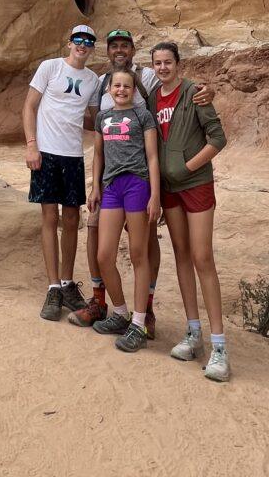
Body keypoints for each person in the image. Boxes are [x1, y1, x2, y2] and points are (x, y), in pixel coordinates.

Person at [69, 28, 214, 339]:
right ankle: (101, 302)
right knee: (96, 234)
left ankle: (143, 310)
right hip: (108, 179)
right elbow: (97, 133)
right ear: (107, 51)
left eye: (125, 45)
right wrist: (95, 183)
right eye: (114, 46)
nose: (119, 50)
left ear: (133, 49)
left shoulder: (147, 76)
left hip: (139, 177)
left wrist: (202, 91)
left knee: (144, 245)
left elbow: (169, 87)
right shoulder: (98, 82)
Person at [148, 40, 231, 382]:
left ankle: (220, 347)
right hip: (169, 191)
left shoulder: (194, 93)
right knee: (181, 254)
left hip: (195, 185)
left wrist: (187, 168)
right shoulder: (153, 99)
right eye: (158, 63)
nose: (163, 67)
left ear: (178, 64)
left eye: (168, 62)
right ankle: (193, 332)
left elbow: (218, 138)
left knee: (202, 257)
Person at [23, 24, 100, 321]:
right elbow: (29, 107)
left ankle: (67, 283)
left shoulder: (92, 79)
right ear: (69, 42)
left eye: (89, 41)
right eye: (78, 39)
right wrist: (32, 146)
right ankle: (53, 286)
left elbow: (94, 120)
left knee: (71, 218)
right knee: (49, 216)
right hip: (47, 152)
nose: (83, 44)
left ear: (92, 47)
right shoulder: (50, 67)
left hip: (72, 155)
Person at [87, 69, 161, 352]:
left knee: (138, 254)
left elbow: (152, 157)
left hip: (136, 185)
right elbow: (98, 155)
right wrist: (95, 187)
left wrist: (155, 195)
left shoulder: (143, 116)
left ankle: (139, 323)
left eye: (126, 86)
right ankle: (119, 312)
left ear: (135, 90)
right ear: (108, 90)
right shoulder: (102, 118)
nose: (121, 89)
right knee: (104, 255)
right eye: (116, 85)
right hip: (111, 187)